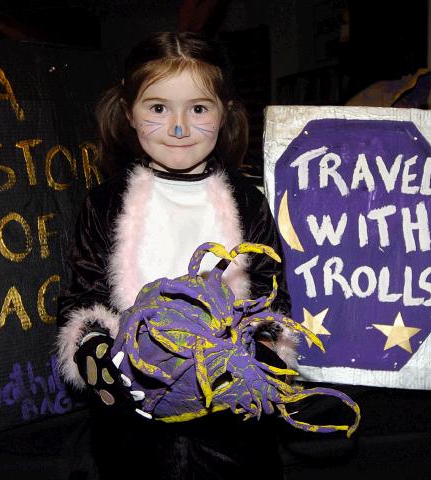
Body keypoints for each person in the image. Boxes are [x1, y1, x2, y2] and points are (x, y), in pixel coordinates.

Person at [56, 31, 295, 480]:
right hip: (133, 427)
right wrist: (94, 350)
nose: (180, 127)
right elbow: (82, 296)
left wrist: (260, 354)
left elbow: (272, 295)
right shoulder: (105, 203)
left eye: (199, 108)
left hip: (233, 428)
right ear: (129, 113)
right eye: (158, 108)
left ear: (225, 114)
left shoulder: (248, 201)